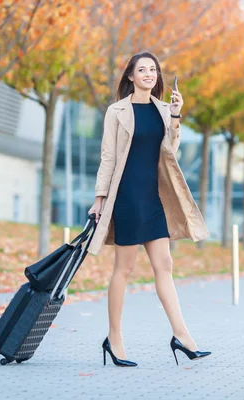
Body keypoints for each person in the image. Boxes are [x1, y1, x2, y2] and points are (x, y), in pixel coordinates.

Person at [87, 52, 211, 367]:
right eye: (142, 69)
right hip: (127, 197)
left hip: (153, 197)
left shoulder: (162, 109)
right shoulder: (117, 111)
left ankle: (182, 336)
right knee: (124, 270)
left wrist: (176, 116)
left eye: (152, 69)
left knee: (164, 265)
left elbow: (171, 150)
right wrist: (100, 198)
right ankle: (114, 339)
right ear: (130, 76)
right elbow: (108, 156)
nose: (148, 74)